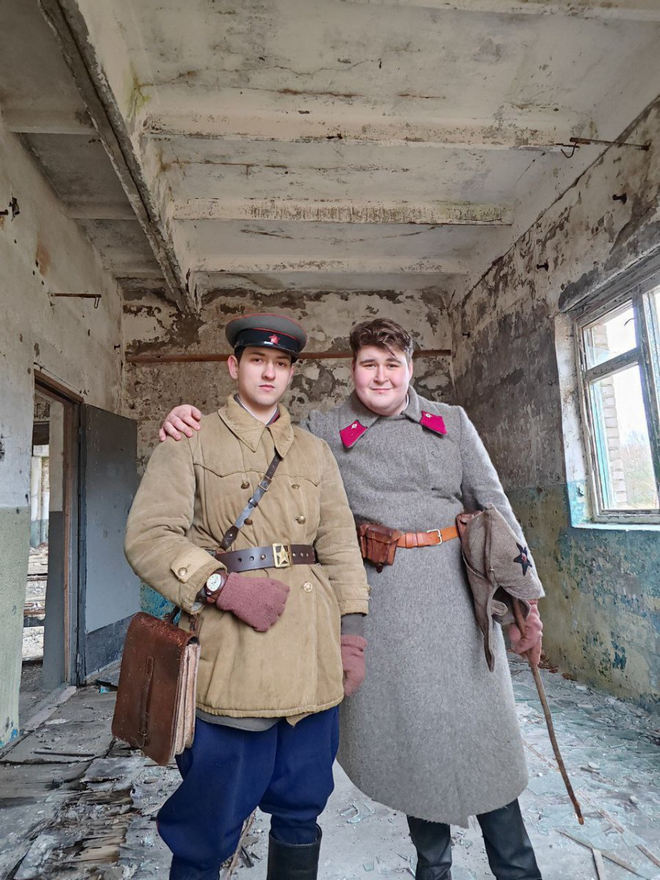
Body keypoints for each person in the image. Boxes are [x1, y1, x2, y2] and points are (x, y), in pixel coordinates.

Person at [160, 317, 545, 880]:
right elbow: (254, 437)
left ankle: (518, 869)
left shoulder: (453, 423)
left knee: (487, 747)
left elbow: (497, 512)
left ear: (411, 369)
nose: (381, 376)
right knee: (413, 751)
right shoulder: (322, 431)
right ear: (351, 370)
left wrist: (525, 602)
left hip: (460, 609)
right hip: (383, 609)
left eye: (393, 364)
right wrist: (183, 420)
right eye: (369, 364)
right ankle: (433, 869)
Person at [125, 313, 370, 880]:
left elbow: (339, 545)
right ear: (233, 366)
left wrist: (352, 634)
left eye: (281, 364)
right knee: (210, 819)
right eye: (257, 360)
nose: (268, 373)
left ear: (291, 375)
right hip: (233, 654)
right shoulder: (190, 438)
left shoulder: (314, 452)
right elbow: (149, 536)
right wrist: (221, 585)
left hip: (310, 654)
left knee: (303, 806)